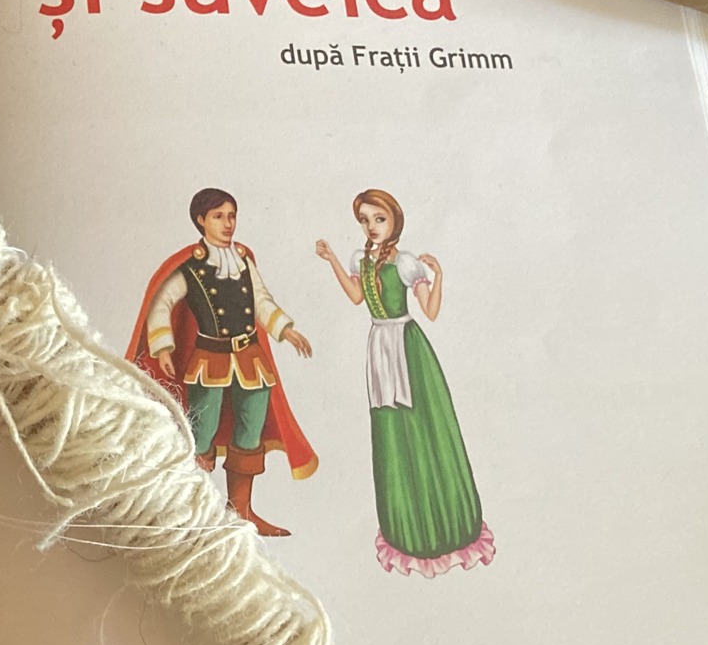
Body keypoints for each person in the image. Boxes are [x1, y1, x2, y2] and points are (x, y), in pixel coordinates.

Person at [315, 189, 494, 576]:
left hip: (409, 350)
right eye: (365, 220)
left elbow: (430, 310)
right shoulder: (361, 260)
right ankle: (407, 527)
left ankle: (444, 525)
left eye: (379, 219)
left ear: (394, 221)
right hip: (379, 349)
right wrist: (332, 260)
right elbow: (356, 297)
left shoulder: (406, 263)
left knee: (423, 427)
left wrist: (439, 276)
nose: (371, 226)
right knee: (392, 432)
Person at [126, 188, 317, 536]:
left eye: (231, 216)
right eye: (218, 216)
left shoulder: (243, 260)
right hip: (208, 362)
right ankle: (191, 513)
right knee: (201, 434)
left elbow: (261, 301)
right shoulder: (192, 266)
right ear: (201, 220)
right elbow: (161, 304)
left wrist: (285, 330)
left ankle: (241, 512)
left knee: (250, 432)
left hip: (251, 361)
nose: (228, 224)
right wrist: (164, 348)